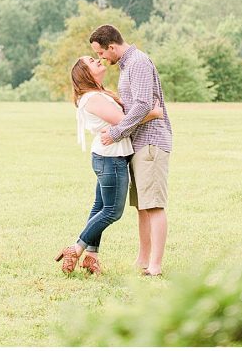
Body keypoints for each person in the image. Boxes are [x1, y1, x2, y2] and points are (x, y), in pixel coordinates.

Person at [56, 56, 163, 275]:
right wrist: (153, 113)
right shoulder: (92, 98)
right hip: (110, 160)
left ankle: (91, 257)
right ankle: (76, 249)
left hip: (108, 157)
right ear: (84, 73)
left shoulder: (97, 95)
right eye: (91, 61)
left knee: (99, 207)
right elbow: (123, 121)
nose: (97, 60)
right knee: (112, 211)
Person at [91, 24, 173, 277]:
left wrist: (116, 132)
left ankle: (155, 266)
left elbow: (141, 105)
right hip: (138, 145)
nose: (102, 58)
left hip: (151, 142)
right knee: (142, 206)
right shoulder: (128, 66)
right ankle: (142, 260)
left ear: (112, 47)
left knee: (154, 205)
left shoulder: (138, 62)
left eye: (102, 53)